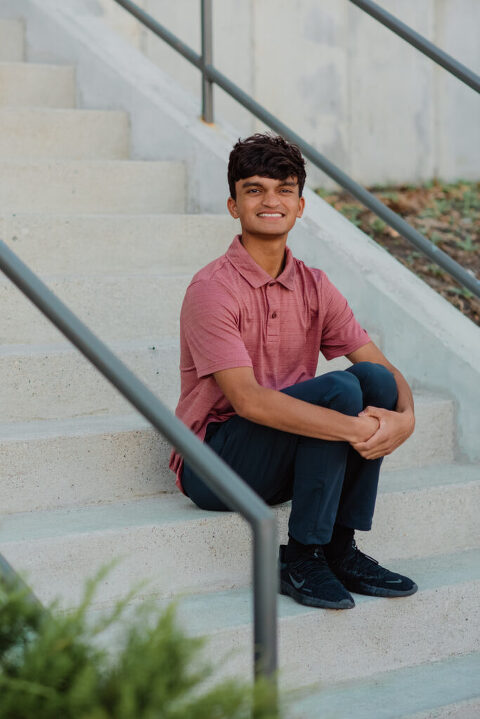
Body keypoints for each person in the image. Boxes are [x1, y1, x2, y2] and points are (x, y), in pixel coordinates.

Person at [170, 133, 417, 610]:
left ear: (300, 206)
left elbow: (382, 369)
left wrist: (404, 420)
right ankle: (301, 557)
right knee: (341, 389)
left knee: (375, 382)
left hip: (288, 452)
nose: (271, 201)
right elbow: (248, 401)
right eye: (255, 190)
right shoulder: (212, 289)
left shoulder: (314, 285)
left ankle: (339, 549)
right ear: (233, 205)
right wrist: (357, 430)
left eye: (284, 190)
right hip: (215, 464)